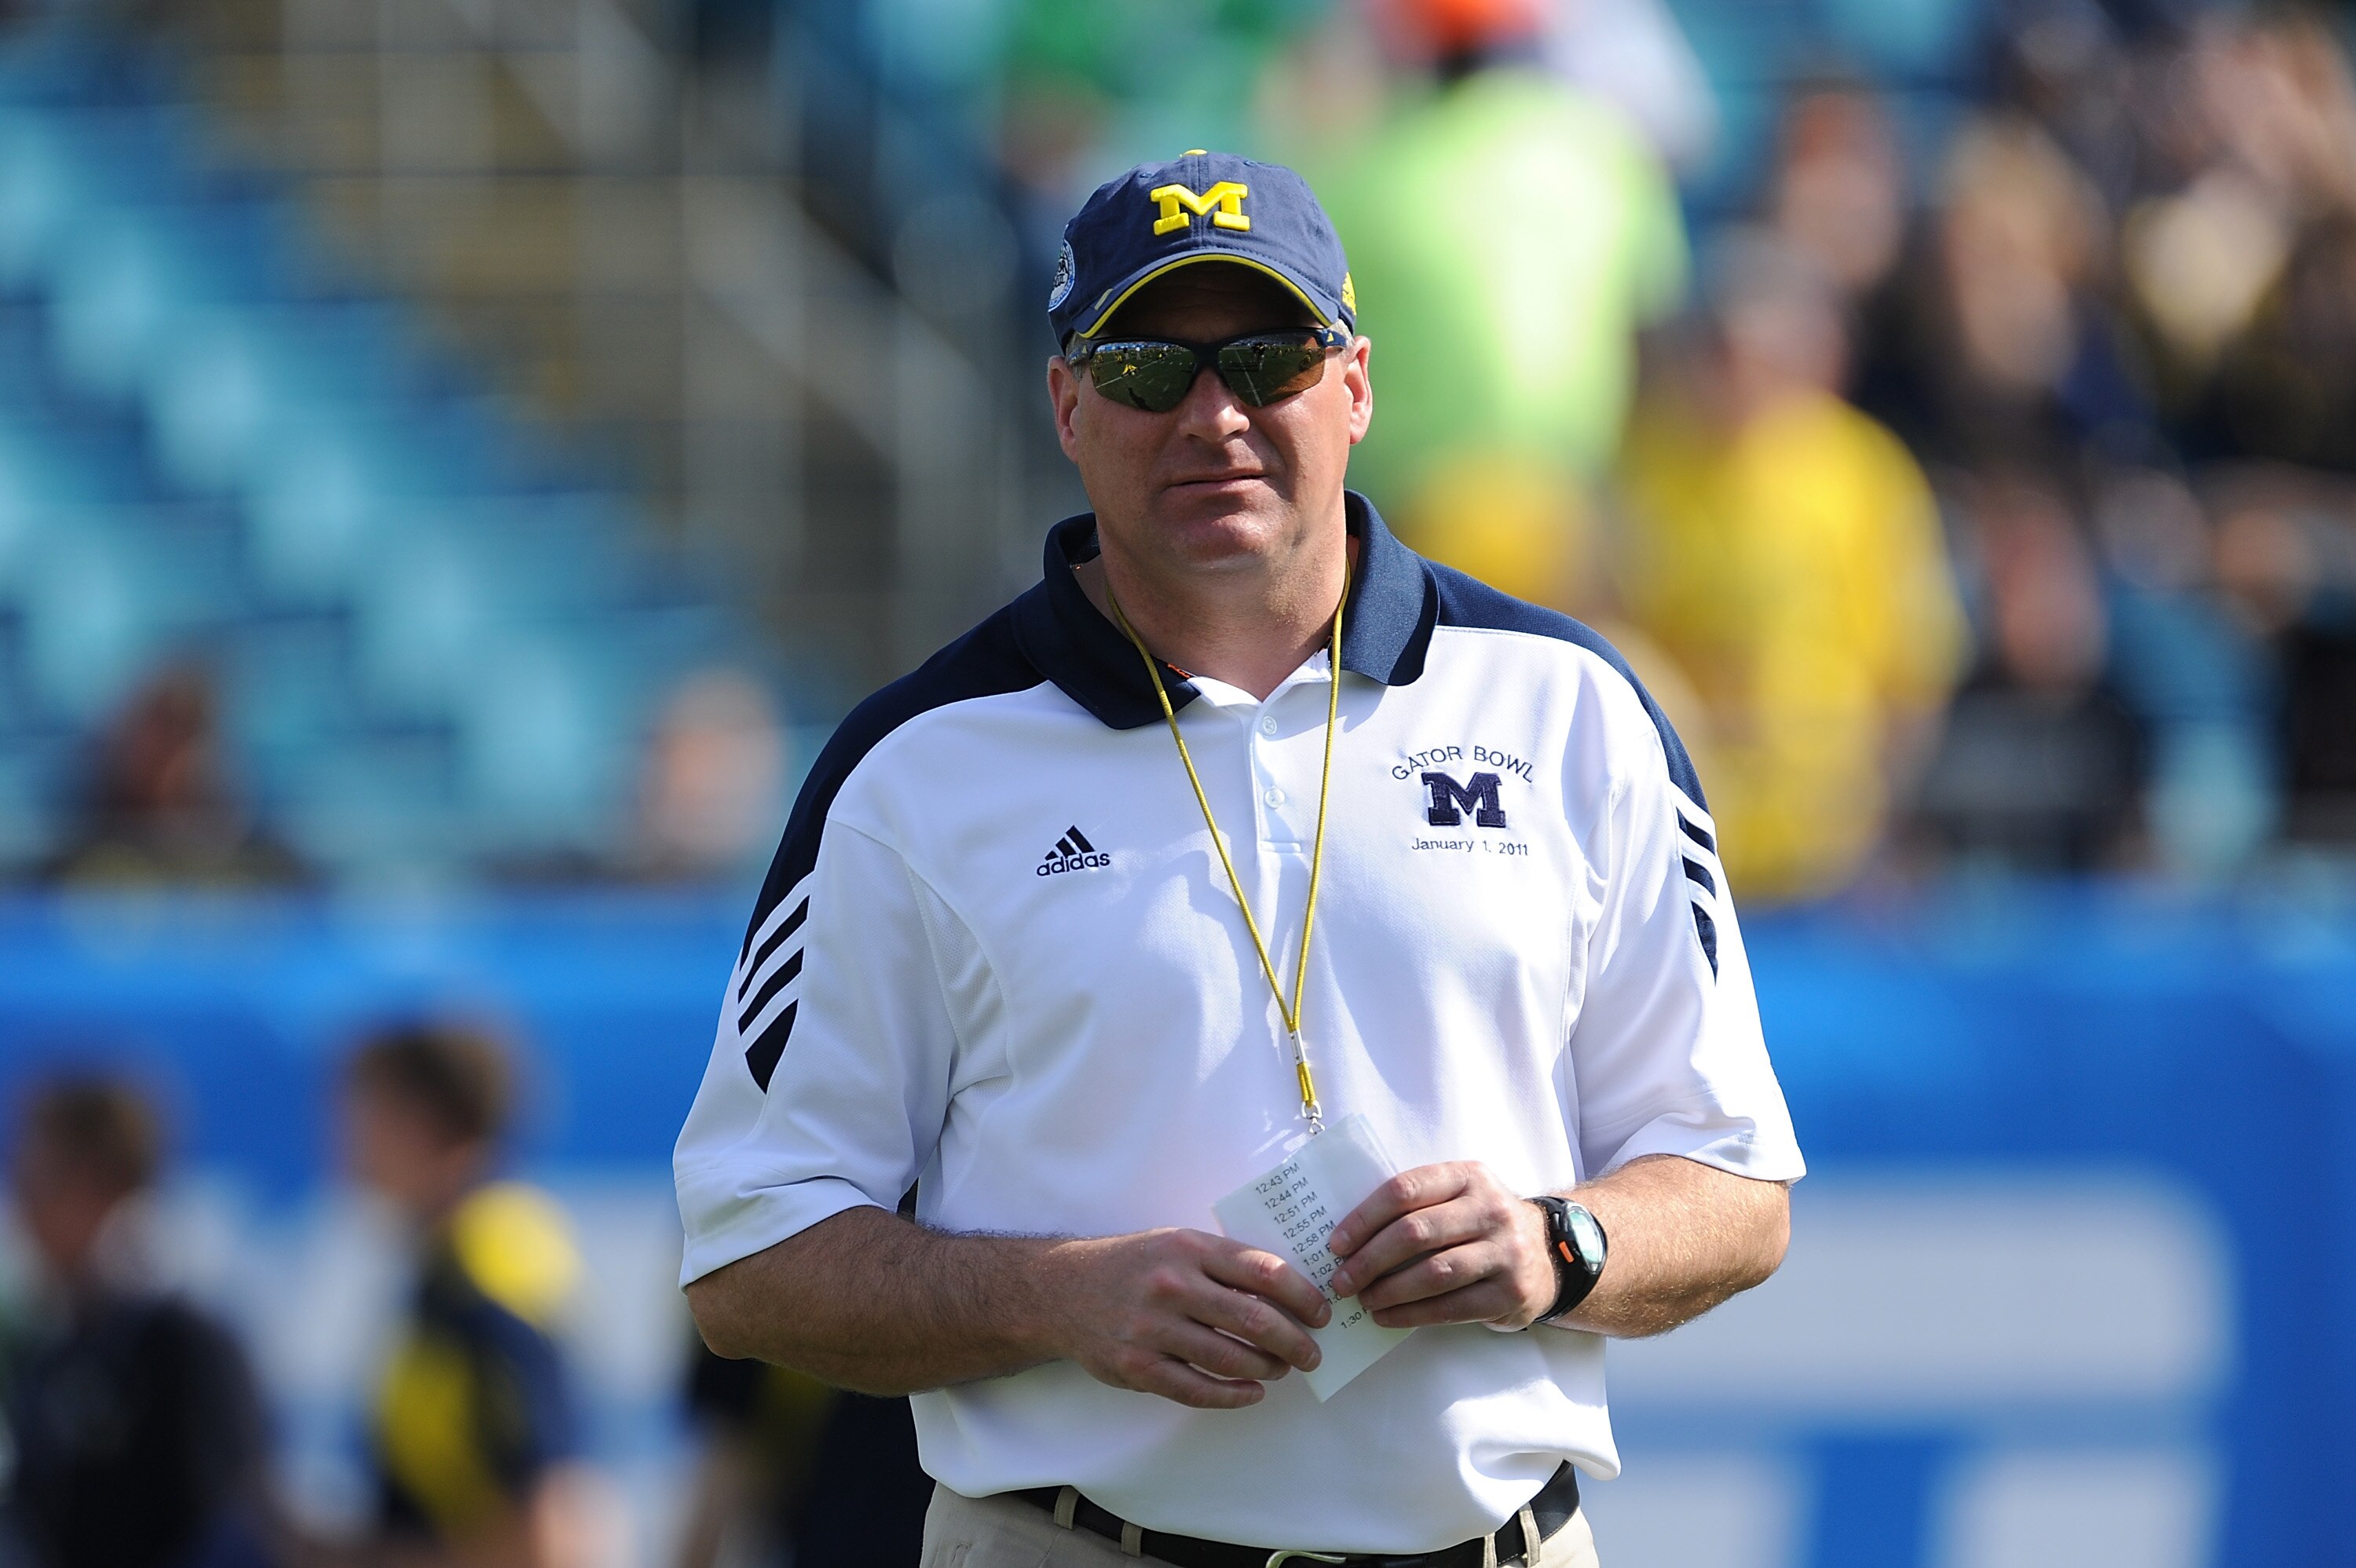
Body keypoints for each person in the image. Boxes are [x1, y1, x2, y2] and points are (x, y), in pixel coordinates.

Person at [675, 152, 1802, 1568]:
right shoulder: (914, 768)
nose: (1214, 416)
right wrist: (1061, 1298)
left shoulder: (1572, 708)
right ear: (1068, 404)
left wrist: (1555, 1245)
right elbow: (747, 1258)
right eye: (1150, 368)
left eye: (1268, 359)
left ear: (1356, 386)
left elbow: (1735, 1186)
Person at [340, 1024, 602, 1568]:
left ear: (422, 1122)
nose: (345, 1138)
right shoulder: (455, 1256)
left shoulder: (485, 1270)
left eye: (365, 1111)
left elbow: (553, 1527)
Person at [2, 1075, 276, 1568]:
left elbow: (234, 1528)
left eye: (39, 1177)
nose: (24, 1202)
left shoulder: (186, 1345)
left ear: (102, 1184)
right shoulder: (53, 1348)